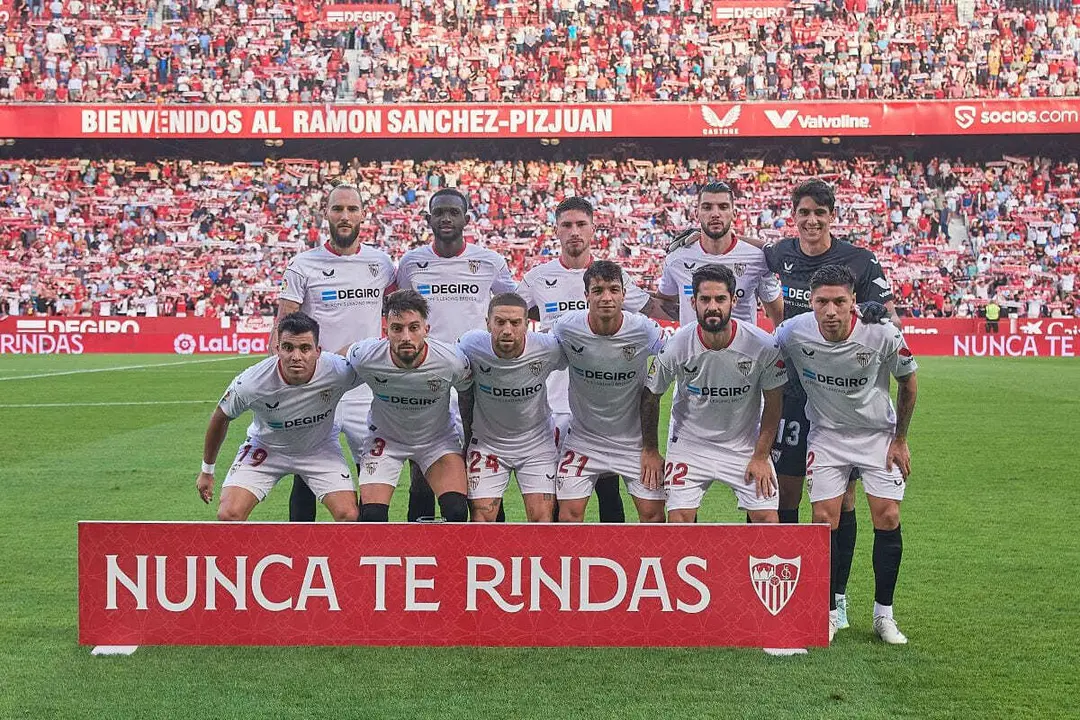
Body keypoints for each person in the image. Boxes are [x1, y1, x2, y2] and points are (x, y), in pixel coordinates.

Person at [775, 265, 918, 645]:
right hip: (827, 436)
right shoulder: (793, 331)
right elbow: (761, 351)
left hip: (877, 435)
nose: (831, 311)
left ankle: (884, 615)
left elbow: (908, 382)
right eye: (822, 302)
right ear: (810, 302)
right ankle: (828, 613)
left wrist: (900, 439)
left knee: (888, 516)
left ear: (854, 301)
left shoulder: (881, 333)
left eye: (840, 301)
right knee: (824, 519)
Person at [517, 196, 668, 522]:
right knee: (559, 493)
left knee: (608, 489)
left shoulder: (613, 276)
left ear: (593, 229)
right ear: (556, 230)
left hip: (606, 404)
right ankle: (561, 549)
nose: (574, 231)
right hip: (555, 402)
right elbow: (514, 315)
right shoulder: (538, 278)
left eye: (581, 224)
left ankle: (608, 550)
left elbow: (650, 311)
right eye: (567, 225)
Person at [273, 183, 396, 523]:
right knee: (305, 472)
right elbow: (283, 326)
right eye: (338, 209)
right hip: (318, 385)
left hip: (364, 387)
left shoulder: (381, 263)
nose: (345, 216)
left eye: (352, 209)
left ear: (363, 215)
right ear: (325, 213)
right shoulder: (303, 265)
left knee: (370, 474)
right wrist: (283, 382)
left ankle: (369, 550)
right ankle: (302, 548)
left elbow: (397, 316)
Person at [395, 188, 517, 521]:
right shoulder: (411, 263)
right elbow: (399, 313)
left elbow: (514, 307)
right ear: (428, 219)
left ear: (467, 218)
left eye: (453, 212)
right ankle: (419, 547)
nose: (446, 218)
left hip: (476, 380)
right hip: (426, 378)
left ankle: (488, 545)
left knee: (481, 470)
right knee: (422, 472)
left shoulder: (490, 262)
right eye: (439, 212)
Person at [641, 264, 787, 523]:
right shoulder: (676, 346)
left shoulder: (762, 346)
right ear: (693, 302)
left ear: (733, 300)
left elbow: (774, 403)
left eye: (720, 299)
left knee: (768, 520)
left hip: (743, 445)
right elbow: (651, 395)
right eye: (705, 299)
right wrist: (650, 450)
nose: (712, 307)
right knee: (679, 521)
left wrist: (761, 455)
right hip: (690, 444)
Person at [196, 312, 361, 522]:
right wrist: (207, 471)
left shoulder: (338, 370)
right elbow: (220, 417)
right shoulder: (251, 383)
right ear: (277, 349)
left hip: (319, 448)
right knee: (229, 514)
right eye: (288, 347)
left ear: (318, 351)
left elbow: (373, 364)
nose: (296, 356)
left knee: (349, 516)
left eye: (305, 348)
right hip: (266, 448)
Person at [552, 260, 666, 523]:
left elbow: (676, 356)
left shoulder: (644, 330)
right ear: (586, 296)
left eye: (614, 290)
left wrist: (651, 448)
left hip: (633, 443)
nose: (606, 298)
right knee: (568, 516)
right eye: (598, 290)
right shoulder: (567, 328)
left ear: (624, 294)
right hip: (583, 440)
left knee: (653, 516)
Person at [345, 289, 473, 523]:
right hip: (386, 440)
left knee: (456, 511)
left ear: (426, 329)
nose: (406, 337)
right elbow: (337, 364)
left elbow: (467, 394)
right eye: (397, 328)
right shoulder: (366, 355)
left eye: (414, 327)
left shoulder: (451, 361)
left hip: (437, 441)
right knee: (371, 516)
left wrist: (470, 442)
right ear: (385, 331)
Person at [457, 293, 567, 522]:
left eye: (515, 323)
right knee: (481, 520)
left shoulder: (548, 348)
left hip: (537, 445)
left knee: (542, 520)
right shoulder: (470, 345)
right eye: (500, 322)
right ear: (488, 323)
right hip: (487, 444)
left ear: (527, 324)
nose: (507, 330)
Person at [655, 181, 785, 329]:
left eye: (723, 207)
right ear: (696, 213)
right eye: (707, 207)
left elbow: (778, 313)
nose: (715, 214)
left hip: (743, 344)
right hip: (693, 344)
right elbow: (664, 304)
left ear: (734, 213)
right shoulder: (677, 258)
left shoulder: (758, 259)